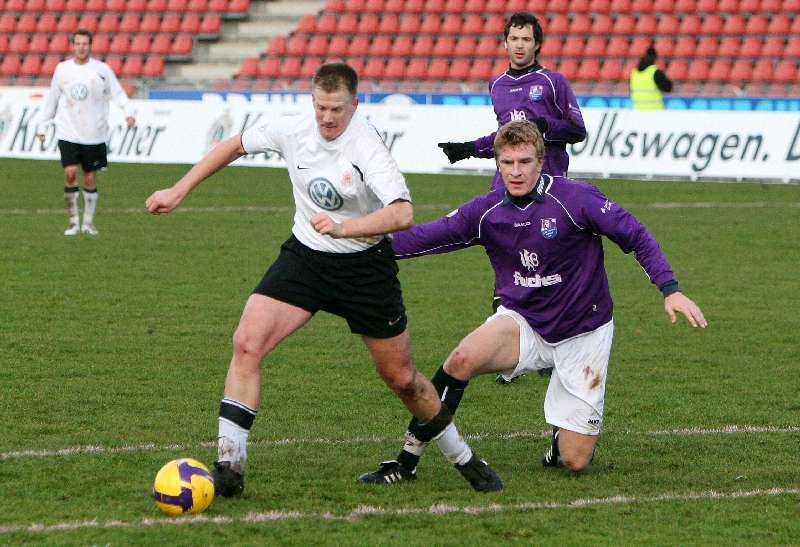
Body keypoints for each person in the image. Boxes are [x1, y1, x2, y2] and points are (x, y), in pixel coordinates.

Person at [145, 62, 503, 495]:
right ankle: (229, 467)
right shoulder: (292, 128)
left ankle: (464, 458)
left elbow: (402, 214)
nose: (327, 118)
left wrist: (344, 229)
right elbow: (234, 145)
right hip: (307, 260)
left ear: (355, 105)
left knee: (403, 379)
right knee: (247, 343)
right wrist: (178, 190)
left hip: (365, 269)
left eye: (336, 109)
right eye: (320, 107)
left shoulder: (366, 145)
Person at [358, 120, 707, 485]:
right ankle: (407, 461)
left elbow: (636, 235)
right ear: (497, 164)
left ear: (541, 162)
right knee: (460, 360)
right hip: (524, 321)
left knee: (575, 461)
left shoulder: (576, 199)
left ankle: (561, 439)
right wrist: (358, 246)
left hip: (583, 331)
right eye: (507, 163)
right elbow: (425, 237)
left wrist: (670, 289)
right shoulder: (487, 211)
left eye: (524, 162)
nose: (516, 171)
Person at [437, 12, 586, 190]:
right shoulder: (497, 84)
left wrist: (545, 126)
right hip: (506, 184)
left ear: (537, 44)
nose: (519, 45)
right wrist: (469, 148)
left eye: (526, 39)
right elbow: (505, 137)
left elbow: (577, 131)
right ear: (506, 43)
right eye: (514, 38)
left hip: (547, 184)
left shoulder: (553, 81)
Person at [35, 28, 136, 236]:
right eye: (78, 43)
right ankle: (73, 222)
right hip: (68, 131)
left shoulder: (102, 70)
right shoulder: (62, 69)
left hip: (94, 133)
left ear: (90, 46)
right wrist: (43, 125)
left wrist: (128, 112)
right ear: (73, 46)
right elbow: (52, 99)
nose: (81, 47)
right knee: (70, 173)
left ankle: (88, 223)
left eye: (85, 44)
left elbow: (117, 93)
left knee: (90, 177)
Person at [629, 44, 674, 110]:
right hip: (654, 111)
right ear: (655, 58)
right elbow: (668, 88)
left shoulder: (634, 73)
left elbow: (631, 92)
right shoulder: (655, 72)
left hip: (637, 111)